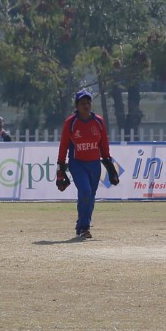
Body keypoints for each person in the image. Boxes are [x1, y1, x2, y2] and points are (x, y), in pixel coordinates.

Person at [56, 90, 115, 240]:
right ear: (77, 106)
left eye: (88, 103)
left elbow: (104, 145)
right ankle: (84, 227)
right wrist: (60, 170)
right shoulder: (71, 123)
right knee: (85, 191)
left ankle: (82, 224)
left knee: (91, 195)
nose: (86, 106)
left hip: (94, 164)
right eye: (82, 103)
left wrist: (110, 167)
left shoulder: (98, 121)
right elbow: (63, 147)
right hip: (77, 164)